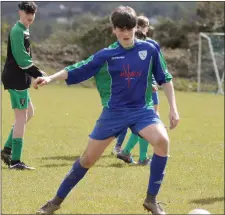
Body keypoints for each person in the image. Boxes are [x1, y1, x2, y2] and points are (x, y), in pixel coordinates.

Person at [34, 6, 179, 215]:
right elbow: (78, 68)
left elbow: (165, 78)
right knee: (87, 160)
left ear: (135, 27)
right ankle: (54, 202)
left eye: (129, 28)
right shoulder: (107, 54)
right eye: (121, 29)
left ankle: (151, 200)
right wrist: (49, 78)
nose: (126, 33)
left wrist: (173, 108)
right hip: (114, 113)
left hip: (142, 110)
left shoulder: (150, 49)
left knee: (162, 141)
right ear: (114, 30)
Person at [1, 1, 45, 170]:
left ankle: (6, 149)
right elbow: (22, 59)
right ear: (20, 12)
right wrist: (39, 74)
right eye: (27, 17)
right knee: (21, 117)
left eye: (32, 18)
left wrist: (35, 74)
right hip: (15, 78)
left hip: (21, 79)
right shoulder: (17, 30)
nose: (29, 20)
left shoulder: (25, 29)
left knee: (29, 113)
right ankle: (15, 161)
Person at [117, 15, 165, 165]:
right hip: (146, 92)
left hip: (142, 90)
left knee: (144, 123)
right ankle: (136, 155)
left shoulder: (141, 45)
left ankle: (133, 153)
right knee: (147, 122)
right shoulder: (148, 45)